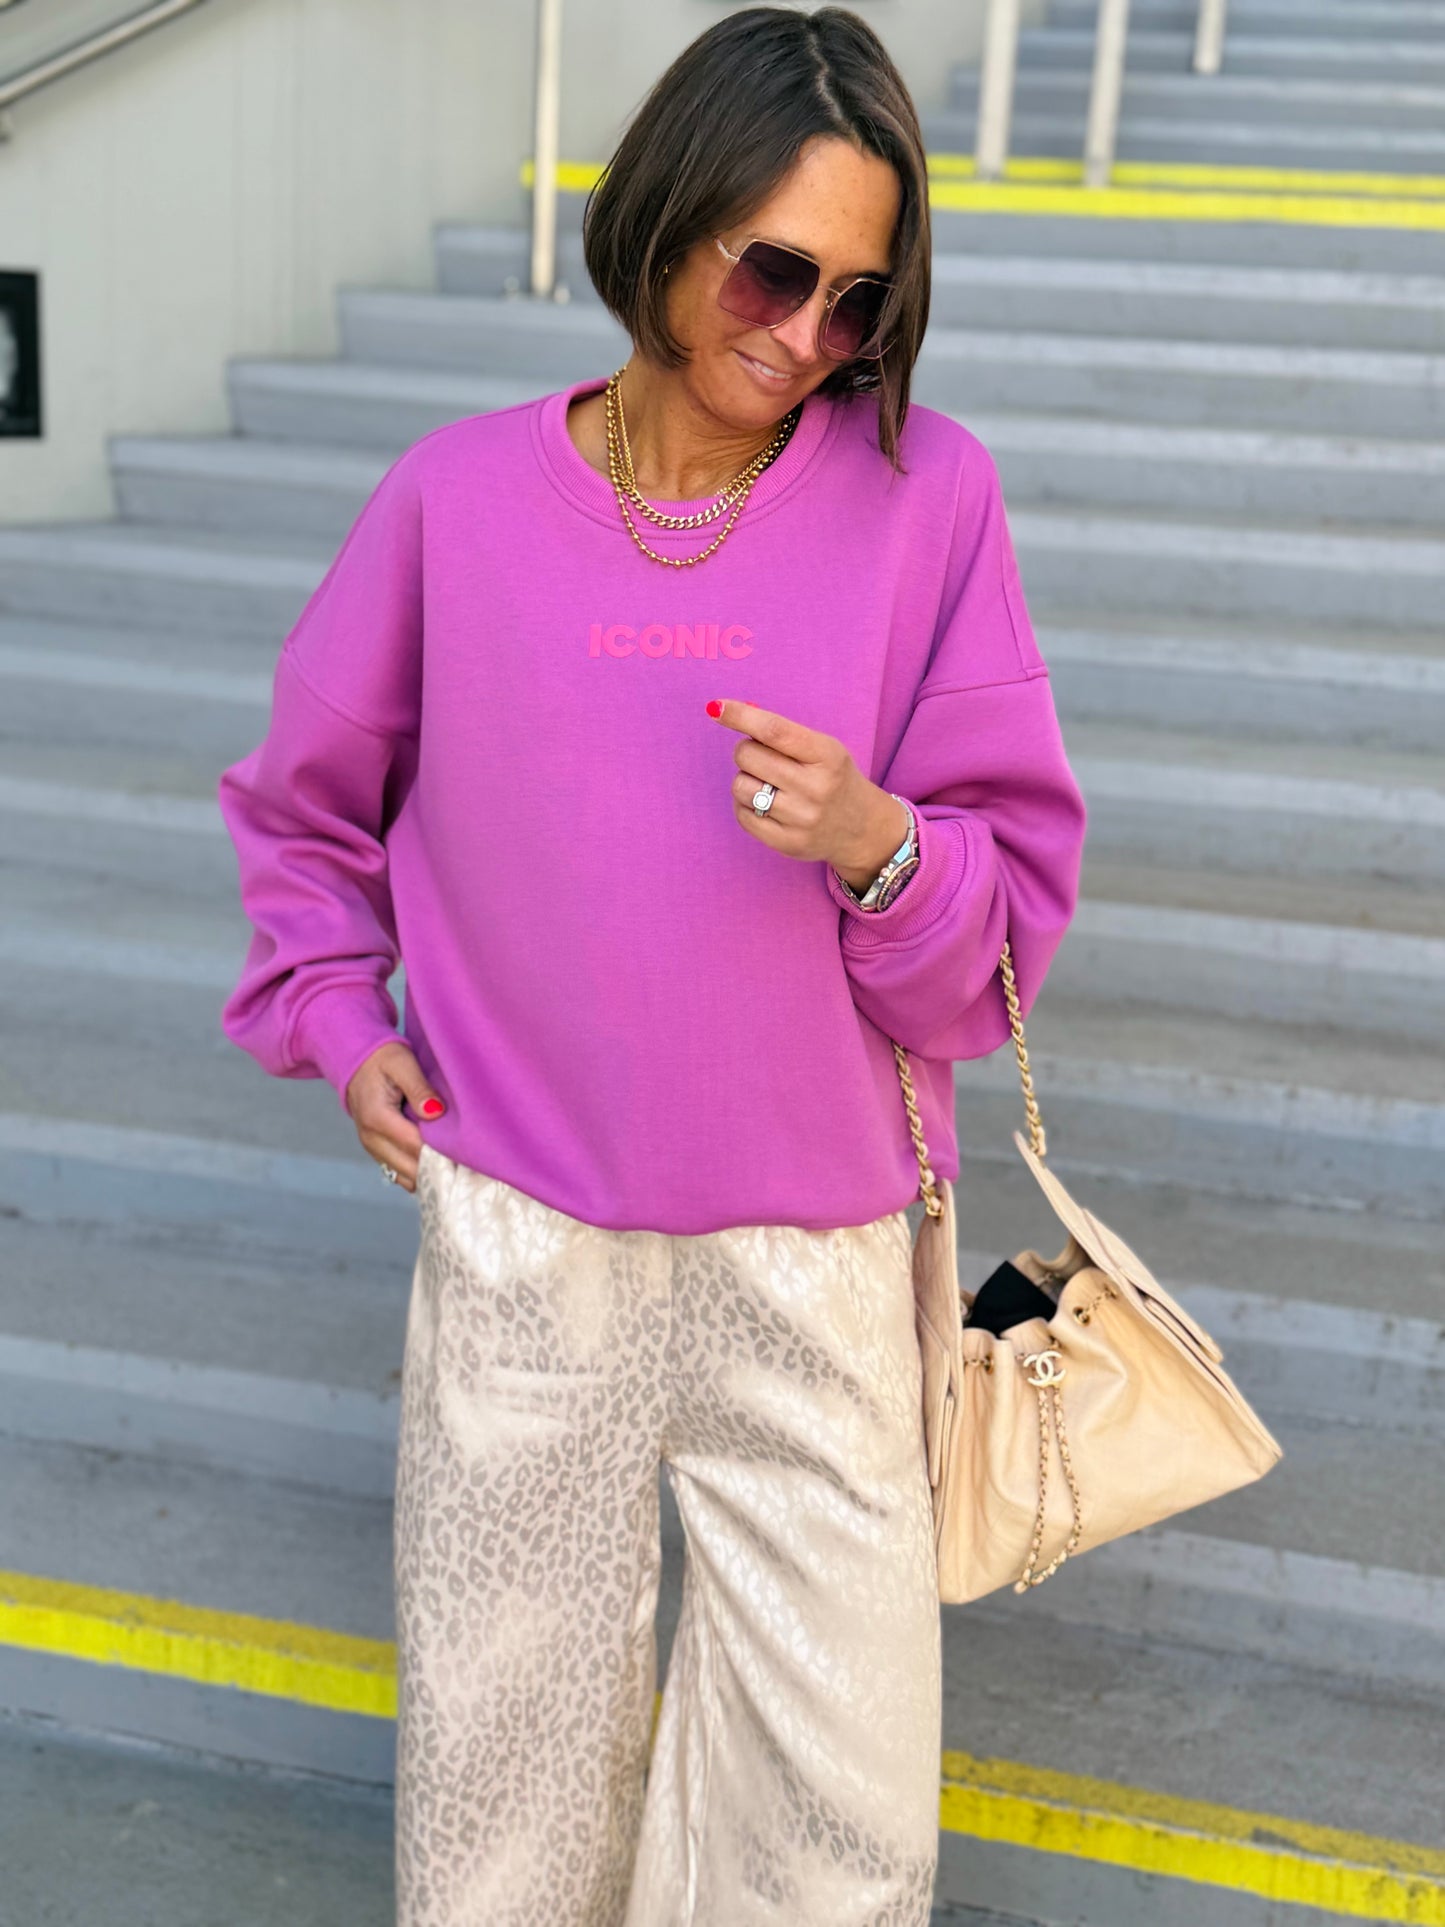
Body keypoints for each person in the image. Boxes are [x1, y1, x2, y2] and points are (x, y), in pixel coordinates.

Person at [216, 6, 1087, 1922]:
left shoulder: (926, 499)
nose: (803, 337)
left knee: (838, 1835)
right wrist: (339, 1014)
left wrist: (877, 844)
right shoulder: (454, 500)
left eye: (857, 302)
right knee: (503, 1809)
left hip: (819, 1260)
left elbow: (995, 935)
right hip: (526, 1245)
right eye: (772, 271)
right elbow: (302, 811)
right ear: (668, 215)